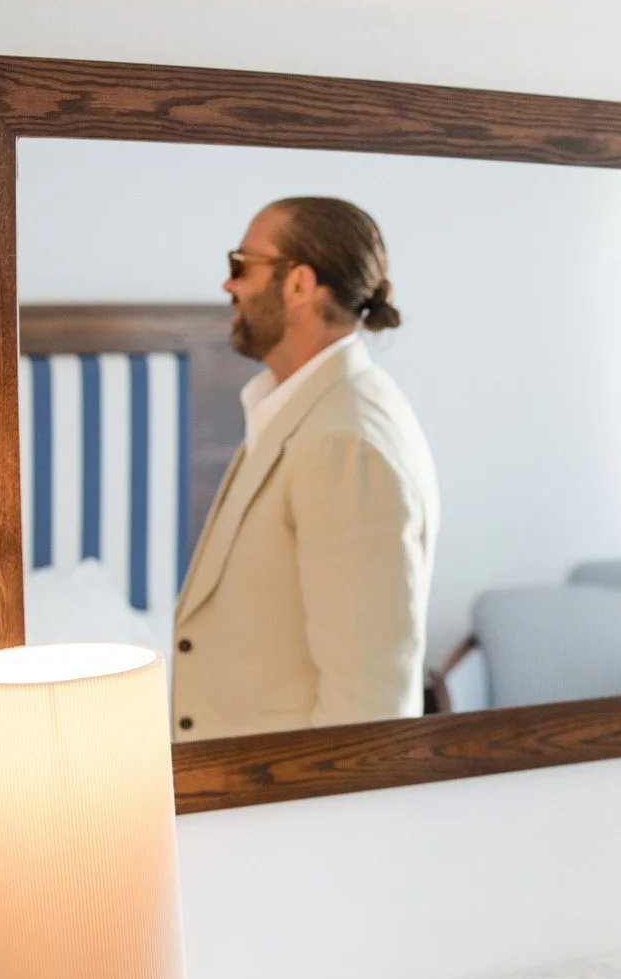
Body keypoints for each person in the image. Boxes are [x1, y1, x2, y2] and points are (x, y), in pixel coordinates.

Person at [172, 197, 439, 739]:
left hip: (290, 811)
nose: (229, 285)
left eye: (241, 265)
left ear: (298, 284)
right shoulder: (296, 408)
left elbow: (370, 703)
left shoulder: (344, 443)